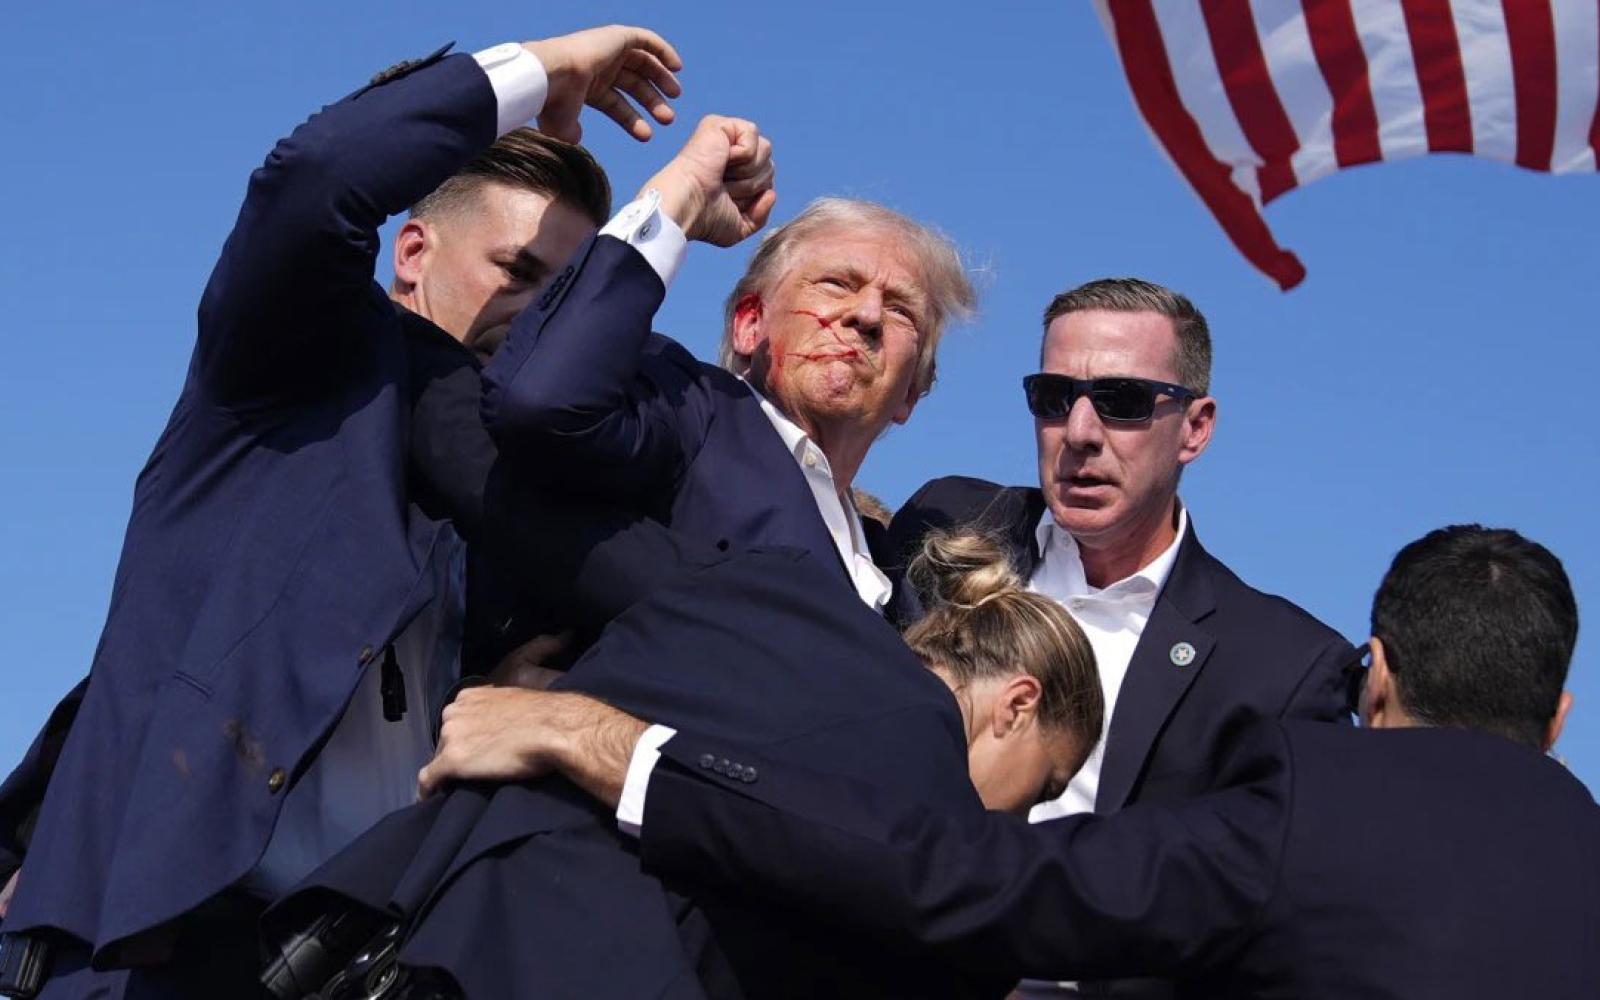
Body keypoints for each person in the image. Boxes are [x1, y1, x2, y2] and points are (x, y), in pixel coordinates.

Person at [0, 25, 692, 998]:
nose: (537, 318)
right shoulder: (287, 371)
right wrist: (546, 71)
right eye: (517, 271)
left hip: (353, 960)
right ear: (412, 251)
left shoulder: (525, 494)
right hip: (148, 953)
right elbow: (316, 176)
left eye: (564, 297)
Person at [480, 524, 1600, 998]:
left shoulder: (1312, 804)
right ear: (1556, 715)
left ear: (1377, 674)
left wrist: (622, 747)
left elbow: (969, 880)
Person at [264, 520, 1101, 1000]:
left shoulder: (770, 590)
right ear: (1019, 705)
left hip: (383, 923)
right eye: (1044, 783)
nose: (1019, 816)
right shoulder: (935, 816)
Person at [887, 278, 1355, 825]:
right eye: (1055, 398)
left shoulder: (1283, 668)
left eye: (1122, 401)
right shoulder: (946, 518)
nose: (1080, 432)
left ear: (1195, 429)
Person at [477, 195, 976, 640]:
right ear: (749, 324)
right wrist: (681, 197)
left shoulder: (895, 581)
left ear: (911, 393)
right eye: (837, 283)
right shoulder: (687, 409)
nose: (866, 315)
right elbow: (543, 402)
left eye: (901, 311)